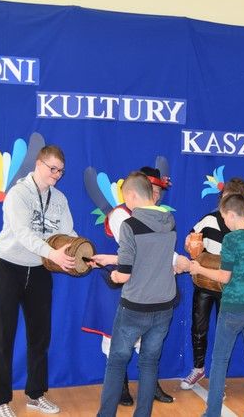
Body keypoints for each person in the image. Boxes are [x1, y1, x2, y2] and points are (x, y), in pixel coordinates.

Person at [0, 145, 75, 417]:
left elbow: (68, 233)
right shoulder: (18, 194)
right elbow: (23, 233)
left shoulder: (59, 198)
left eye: (61, 171)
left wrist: (85, 254)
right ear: (38, 164)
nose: (57, 175)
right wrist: (52, 253)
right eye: (53, 169)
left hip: (39, 271)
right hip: (9, 268)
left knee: (40, 336)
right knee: (2, 336)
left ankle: (36, 395)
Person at [83, 166, 181, 405]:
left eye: (158, 191)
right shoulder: (122, 215)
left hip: (144, 285)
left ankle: (149, 386)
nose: (156, 195)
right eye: (153, 189)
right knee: (115, 340)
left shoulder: (161, 217)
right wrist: (178, 261)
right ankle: (122, 387)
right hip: (120, 285)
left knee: (147, 346)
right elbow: (138, 252)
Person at [189, 193, 244, 417]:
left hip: (234, 307)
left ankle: (212, 413)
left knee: (219, 360)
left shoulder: (231, 240)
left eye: (224, 217)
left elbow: (224, 277)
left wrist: (199, 269)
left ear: (232, 214)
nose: (224, 222)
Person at [180, 178, 244, 390]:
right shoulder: (209, 219)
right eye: (224, 198)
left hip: (227, 286)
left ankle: (219, 376)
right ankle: (198, 368)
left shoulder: (243, 226)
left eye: (231, 198)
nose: (226, 203)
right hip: (204, 284)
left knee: (224, 332)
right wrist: (191, 244)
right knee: (199, 327)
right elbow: (191, 240)